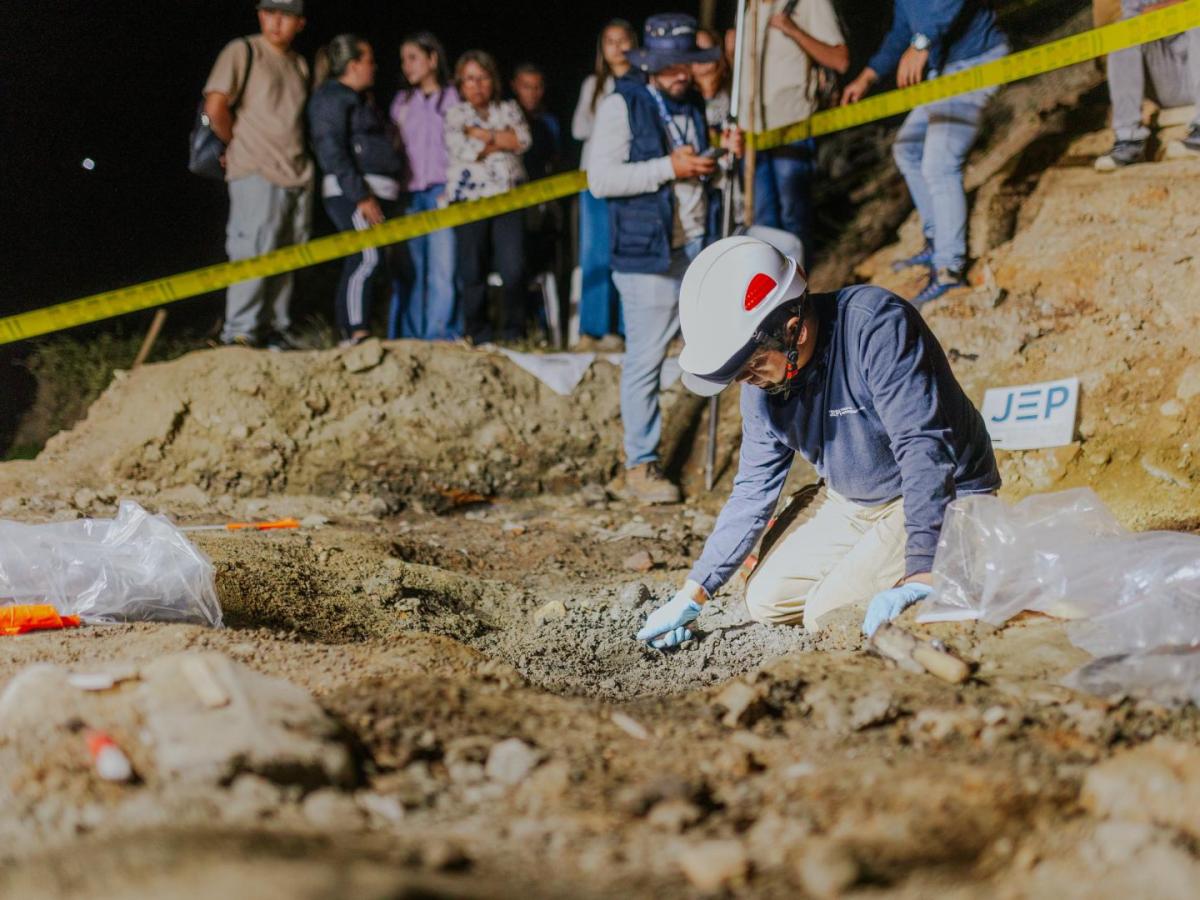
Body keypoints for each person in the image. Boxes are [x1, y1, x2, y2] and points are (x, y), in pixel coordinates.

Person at [634, 235, 1000, 649]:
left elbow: (923, 450)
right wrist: (693, 592)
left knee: (822, 614)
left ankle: (966, 550)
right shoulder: (762, 385)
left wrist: (921, 572)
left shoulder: (875, 326)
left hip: (945, 490)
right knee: (764, 602)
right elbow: (753, 488)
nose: (746, 382)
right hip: (853, 498)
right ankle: (874, 560)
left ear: (795, 329)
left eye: (752, 366)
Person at [588, 13, 744, 505]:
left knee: (716, 343)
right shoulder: (622, 104)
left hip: (695, 244)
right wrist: (667, 167)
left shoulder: (693, 101)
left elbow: (697, 171)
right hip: (646, 256)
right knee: (646, 359)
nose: (684, 75)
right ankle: (640, 465)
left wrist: (721, 159)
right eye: (673, 67)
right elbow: (601, 180)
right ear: (652, 66)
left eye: (688, 65)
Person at [842, 1, 1008, 308]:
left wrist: (922, 43)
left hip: (976, 61)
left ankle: (949, 268)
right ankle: (936, 237)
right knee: (908, 149)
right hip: (943, 69)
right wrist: (869, 74)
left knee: (940, 163)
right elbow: (902, 29)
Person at [203, 0, 313, 349]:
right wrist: (235, 142)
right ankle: (240, 330)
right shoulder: (243, 50)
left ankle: (273, 328)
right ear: (260, 14)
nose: (276, 21)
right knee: (251, 249)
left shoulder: (299, 64)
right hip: (255, 168)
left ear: (300, 22)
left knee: (287, 253)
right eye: (270, 12)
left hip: (296, 171)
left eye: (286, 14)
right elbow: (215, 105)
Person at [308, 36, 404, 346]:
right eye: (369, 60)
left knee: (367, 260)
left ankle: (348, 331)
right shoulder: (332, 98)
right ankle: (356, 331)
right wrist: (360, 195)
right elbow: (331, 150)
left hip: (379, 190)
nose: (374, 67)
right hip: (354, 193)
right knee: (366, 258)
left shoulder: (361, 99)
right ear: (353, 65)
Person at [739, 0, 848, 263]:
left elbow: (840, 60)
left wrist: (793, 30)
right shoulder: (748, 7)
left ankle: (798, 291)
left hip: (792, 126)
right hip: (751, 131)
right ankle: (770, 291)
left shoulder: (809, 3)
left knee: (793, 217)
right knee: (762, 221)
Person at [445, 51, 532, 343]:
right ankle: (478, 334)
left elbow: (522, 141)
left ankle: (514, 333)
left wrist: (481, 135)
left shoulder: (509, 108)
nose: (476, 85)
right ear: (460, 84)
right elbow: (463, 150)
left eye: (482, 77)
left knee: (514, 268)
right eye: (469, 79)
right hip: (469, 201)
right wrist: (499, 139)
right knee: (472, 271)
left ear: (492, 80)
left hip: (509, 199)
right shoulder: (455, 114)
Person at [390, 32, 460, 340]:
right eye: (404, 60)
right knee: (411, 271)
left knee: (443, 269)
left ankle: (440, 336)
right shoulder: (402, 102)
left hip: (443, 191)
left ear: (433, 59)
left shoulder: (454, 97)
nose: (407, 66)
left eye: (413, 57)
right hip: (409, 194)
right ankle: (409, 338)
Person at [572, 20, 637, 346]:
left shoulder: (643, 82)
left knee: (627, 253)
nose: (616, 47)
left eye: (622, 40)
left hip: (630, 180)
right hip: (595, 179)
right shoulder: (594, 85)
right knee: (594, 254)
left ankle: (623, 329)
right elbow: (579, 127)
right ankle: (591, 329)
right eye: (609, 40)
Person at [1094, 0, 1200, 170]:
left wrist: (1166, 8)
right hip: (1169, 80)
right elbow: (1133, 14)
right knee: (1123, 30)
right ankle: (1129, 140)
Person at [513, 63, 566, 342]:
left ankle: (545, 329)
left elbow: (555, 161)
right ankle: (519, 326)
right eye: (526, 86)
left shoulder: (550, 123)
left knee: (544, 268)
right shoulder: (508, 117)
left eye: (537, 87)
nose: (532, 93)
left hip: (543, 207)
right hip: (513, 206)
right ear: (514, 86)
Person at [693, 28, 731, 131]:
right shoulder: (685, 97)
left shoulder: (732, 86)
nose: (700, 56)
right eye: (695, 50)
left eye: (706, 49)